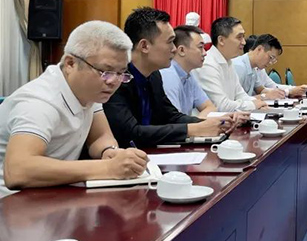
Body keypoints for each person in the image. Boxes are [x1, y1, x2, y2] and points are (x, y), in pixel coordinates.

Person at [0, 21, 148, 197]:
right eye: (105, 71)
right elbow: (18, 171)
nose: (113, 81)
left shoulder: (88, 90)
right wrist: (107, 167)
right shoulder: (40, 102)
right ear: (70, 63)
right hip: (13, 206)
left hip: (53, 194)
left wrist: (110, 152)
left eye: (121, 73)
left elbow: (100, 136)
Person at [104, 8, 232, 148]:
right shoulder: (116, 77)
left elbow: (170, 116)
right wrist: (192, 130)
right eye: (170, 42)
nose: (174, 49)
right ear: (144, 46)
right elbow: (131, 132)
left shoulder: (154, 75)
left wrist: (212, 124)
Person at [195, 17, 269, 112]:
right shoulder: (208, 64)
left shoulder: (228, 62)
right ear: (221, 40)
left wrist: (259, 104)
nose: (244, 42)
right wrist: (253, 104)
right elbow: (221, 106)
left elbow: (240, 95)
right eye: (239, 37)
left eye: (243, 37)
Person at [160, 25, 216, 117]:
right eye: (200, 47)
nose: (205, 53)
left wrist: (196, 124)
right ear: (182, 50)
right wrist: (197, 124)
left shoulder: (187, 75)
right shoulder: (168, 75)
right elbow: (174, 121)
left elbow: (210, 107)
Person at [235, 35, 307, 99]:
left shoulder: (254, 68)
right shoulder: (238, 67)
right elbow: (236, 100)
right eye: (270, 57)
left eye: (274, 60)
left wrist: (282, 93)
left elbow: (261, 90)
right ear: (259, 49)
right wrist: (266, 96)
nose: (270, 63)